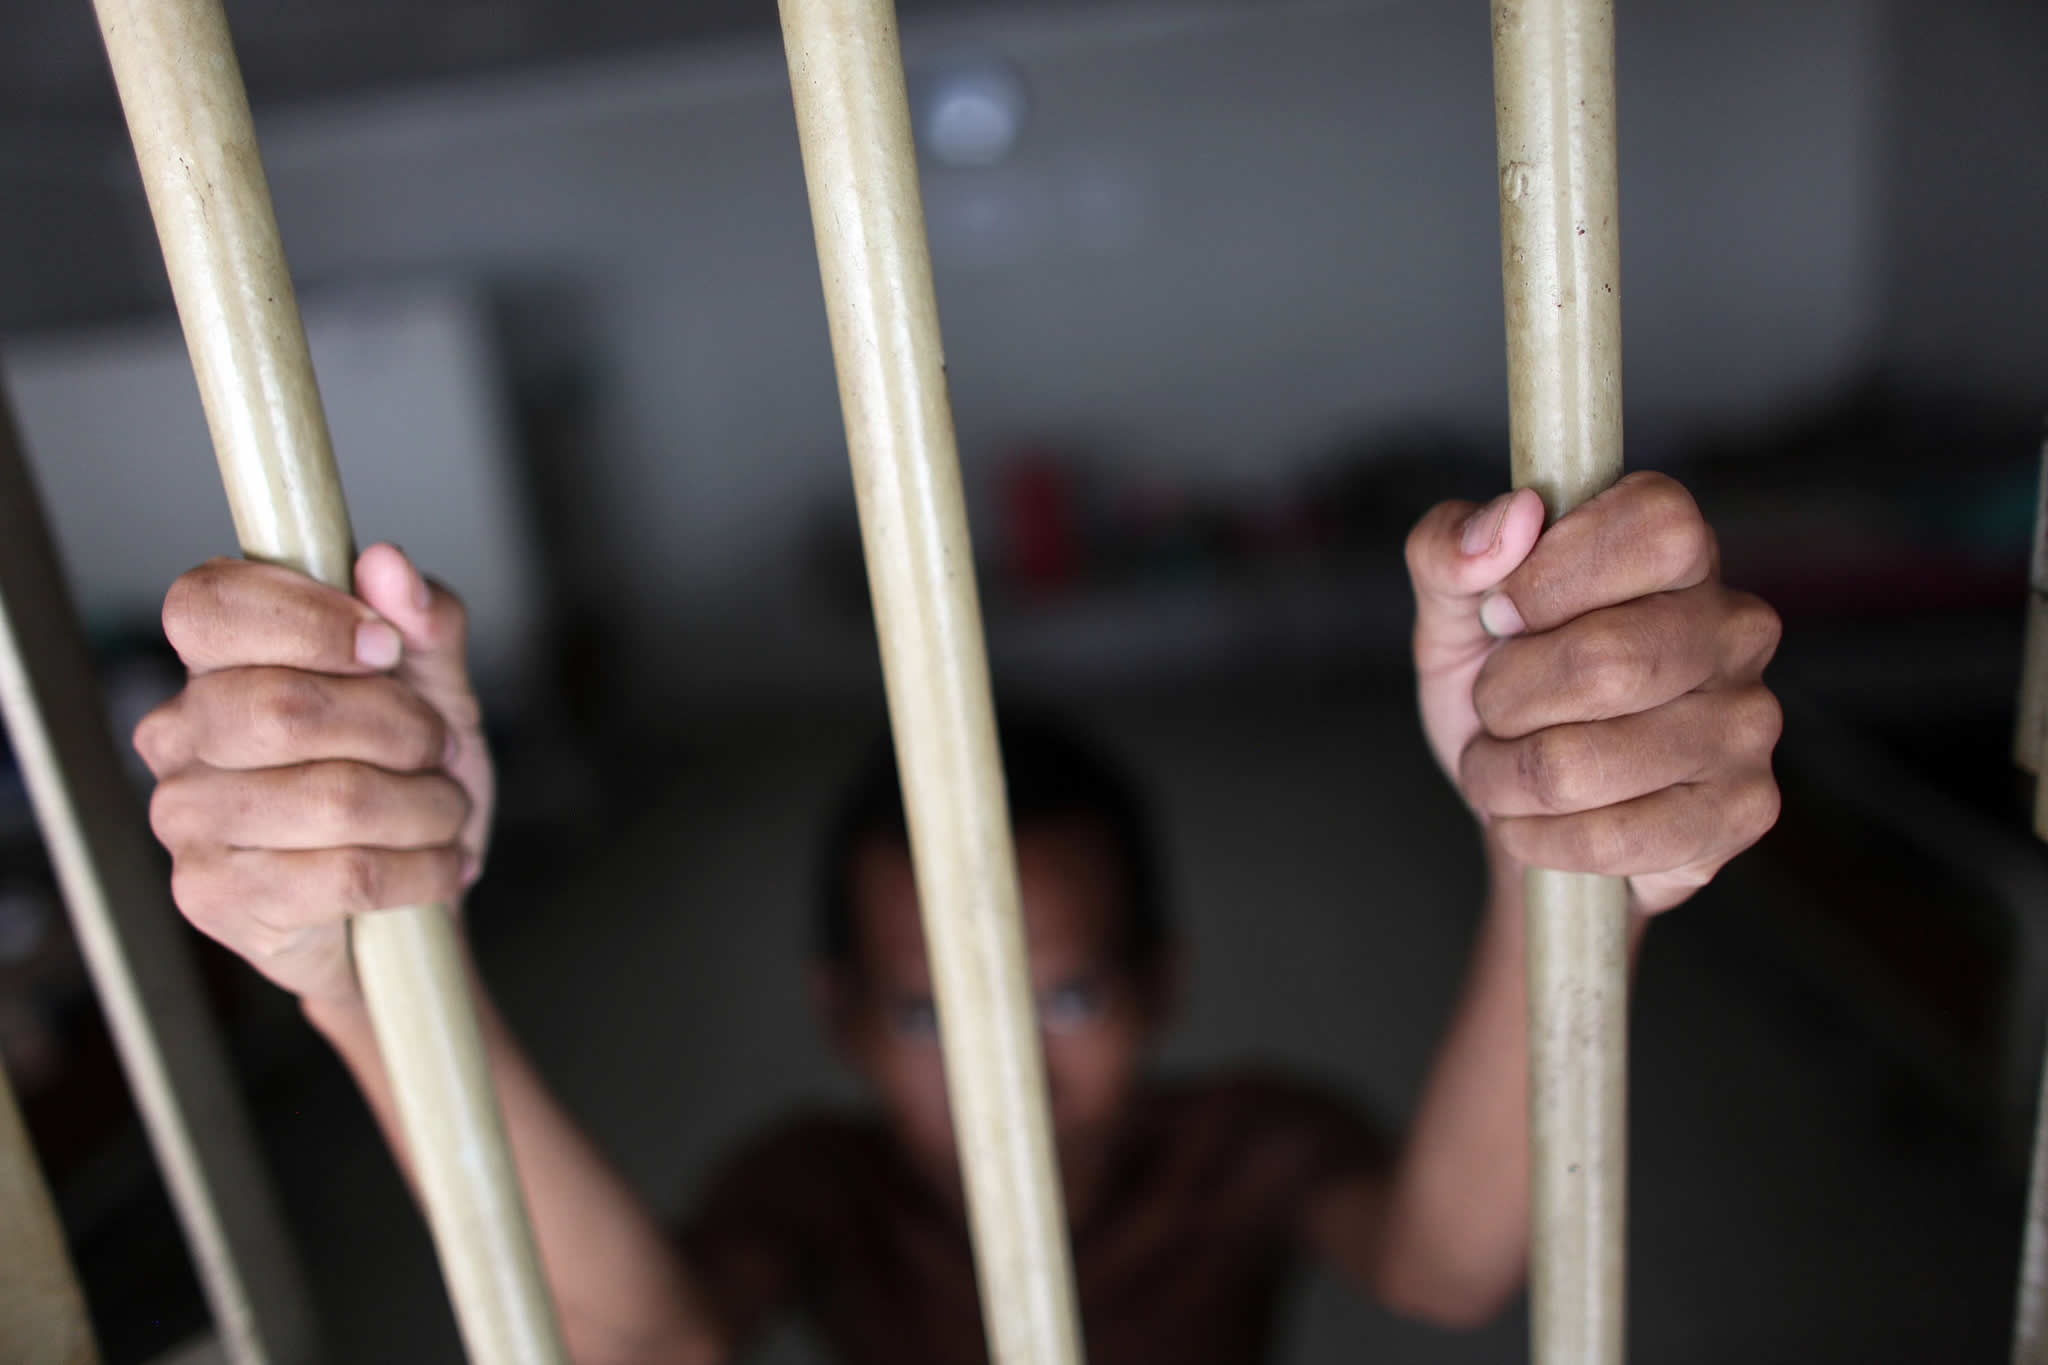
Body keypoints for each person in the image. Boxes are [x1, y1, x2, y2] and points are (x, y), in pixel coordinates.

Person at [134, 473, 1782, 1363]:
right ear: (842, 1016)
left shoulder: (1238, 1151)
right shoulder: (825, 1189)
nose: (1009, 1075)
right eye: (927, 1015)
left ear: (1162, 984)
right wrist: (379, 977)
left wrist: (1561, 873)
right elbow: (644, 1343)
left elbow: (1444, 1267)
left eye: (1068, 999)